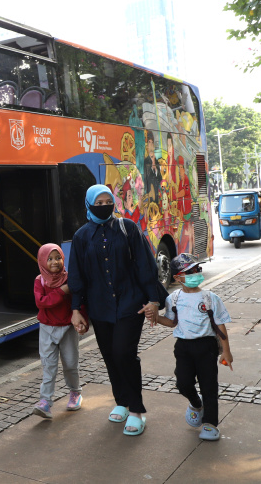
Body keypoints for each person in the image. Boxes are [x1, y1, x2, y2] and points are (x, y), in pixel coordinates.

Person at [68, 184, 160, 436]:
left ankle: (137, 410)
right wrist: (76, 309)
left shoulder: (127, 228)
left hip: (131, 303)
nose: (104, 206)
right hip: (100, 307)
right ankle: (121, 401)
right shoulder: (81, 236)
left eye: (108, 201)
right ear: (88, 205)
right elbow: (77, 275)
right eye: (98, 203)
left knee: (123, 353)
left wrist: (153, 299)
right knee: (109, 355)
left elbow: (144, 264)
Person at [151, 254, 233, 441]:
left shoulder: (210, 298)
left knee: (209, 386)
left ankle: (210, 424)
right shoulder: (173, 299)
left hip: (207, 346)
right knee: (183, 383)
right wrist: (154, 317)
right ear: (177, 278)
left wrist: (226, 351)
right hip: (183, 347)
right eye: (189, 272)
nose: (194, 274)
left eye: (197, 270)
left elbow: (220, 325)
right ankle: (196, 404)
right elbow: (171, 322)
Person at [32, 243, 85, 419]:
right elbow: (42, 302)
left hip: (67, 329)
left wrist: (83, 320)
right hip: (47, 329)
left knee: (70, 364)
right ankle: (45, 402)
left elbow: (79, 300)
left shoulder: (70, 279)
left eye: (58, 258)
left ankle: (75, 392)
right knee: (49, 366)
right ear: (41, 261)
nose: (55, 262)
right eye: (50, 259)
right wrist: (62, 291)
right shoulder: (39, 281)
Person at [143, 131, 161, 203]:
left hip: (157, 194)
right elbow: (146, 178)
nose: (150, 144)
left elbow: (160, 178)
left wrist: (155, 167)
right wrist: (152, 165)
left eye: (152, 142)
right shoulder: (146, 161)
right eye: (149, 142)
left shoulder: (156, 161)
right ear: (147, 145)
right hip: (149, 194)